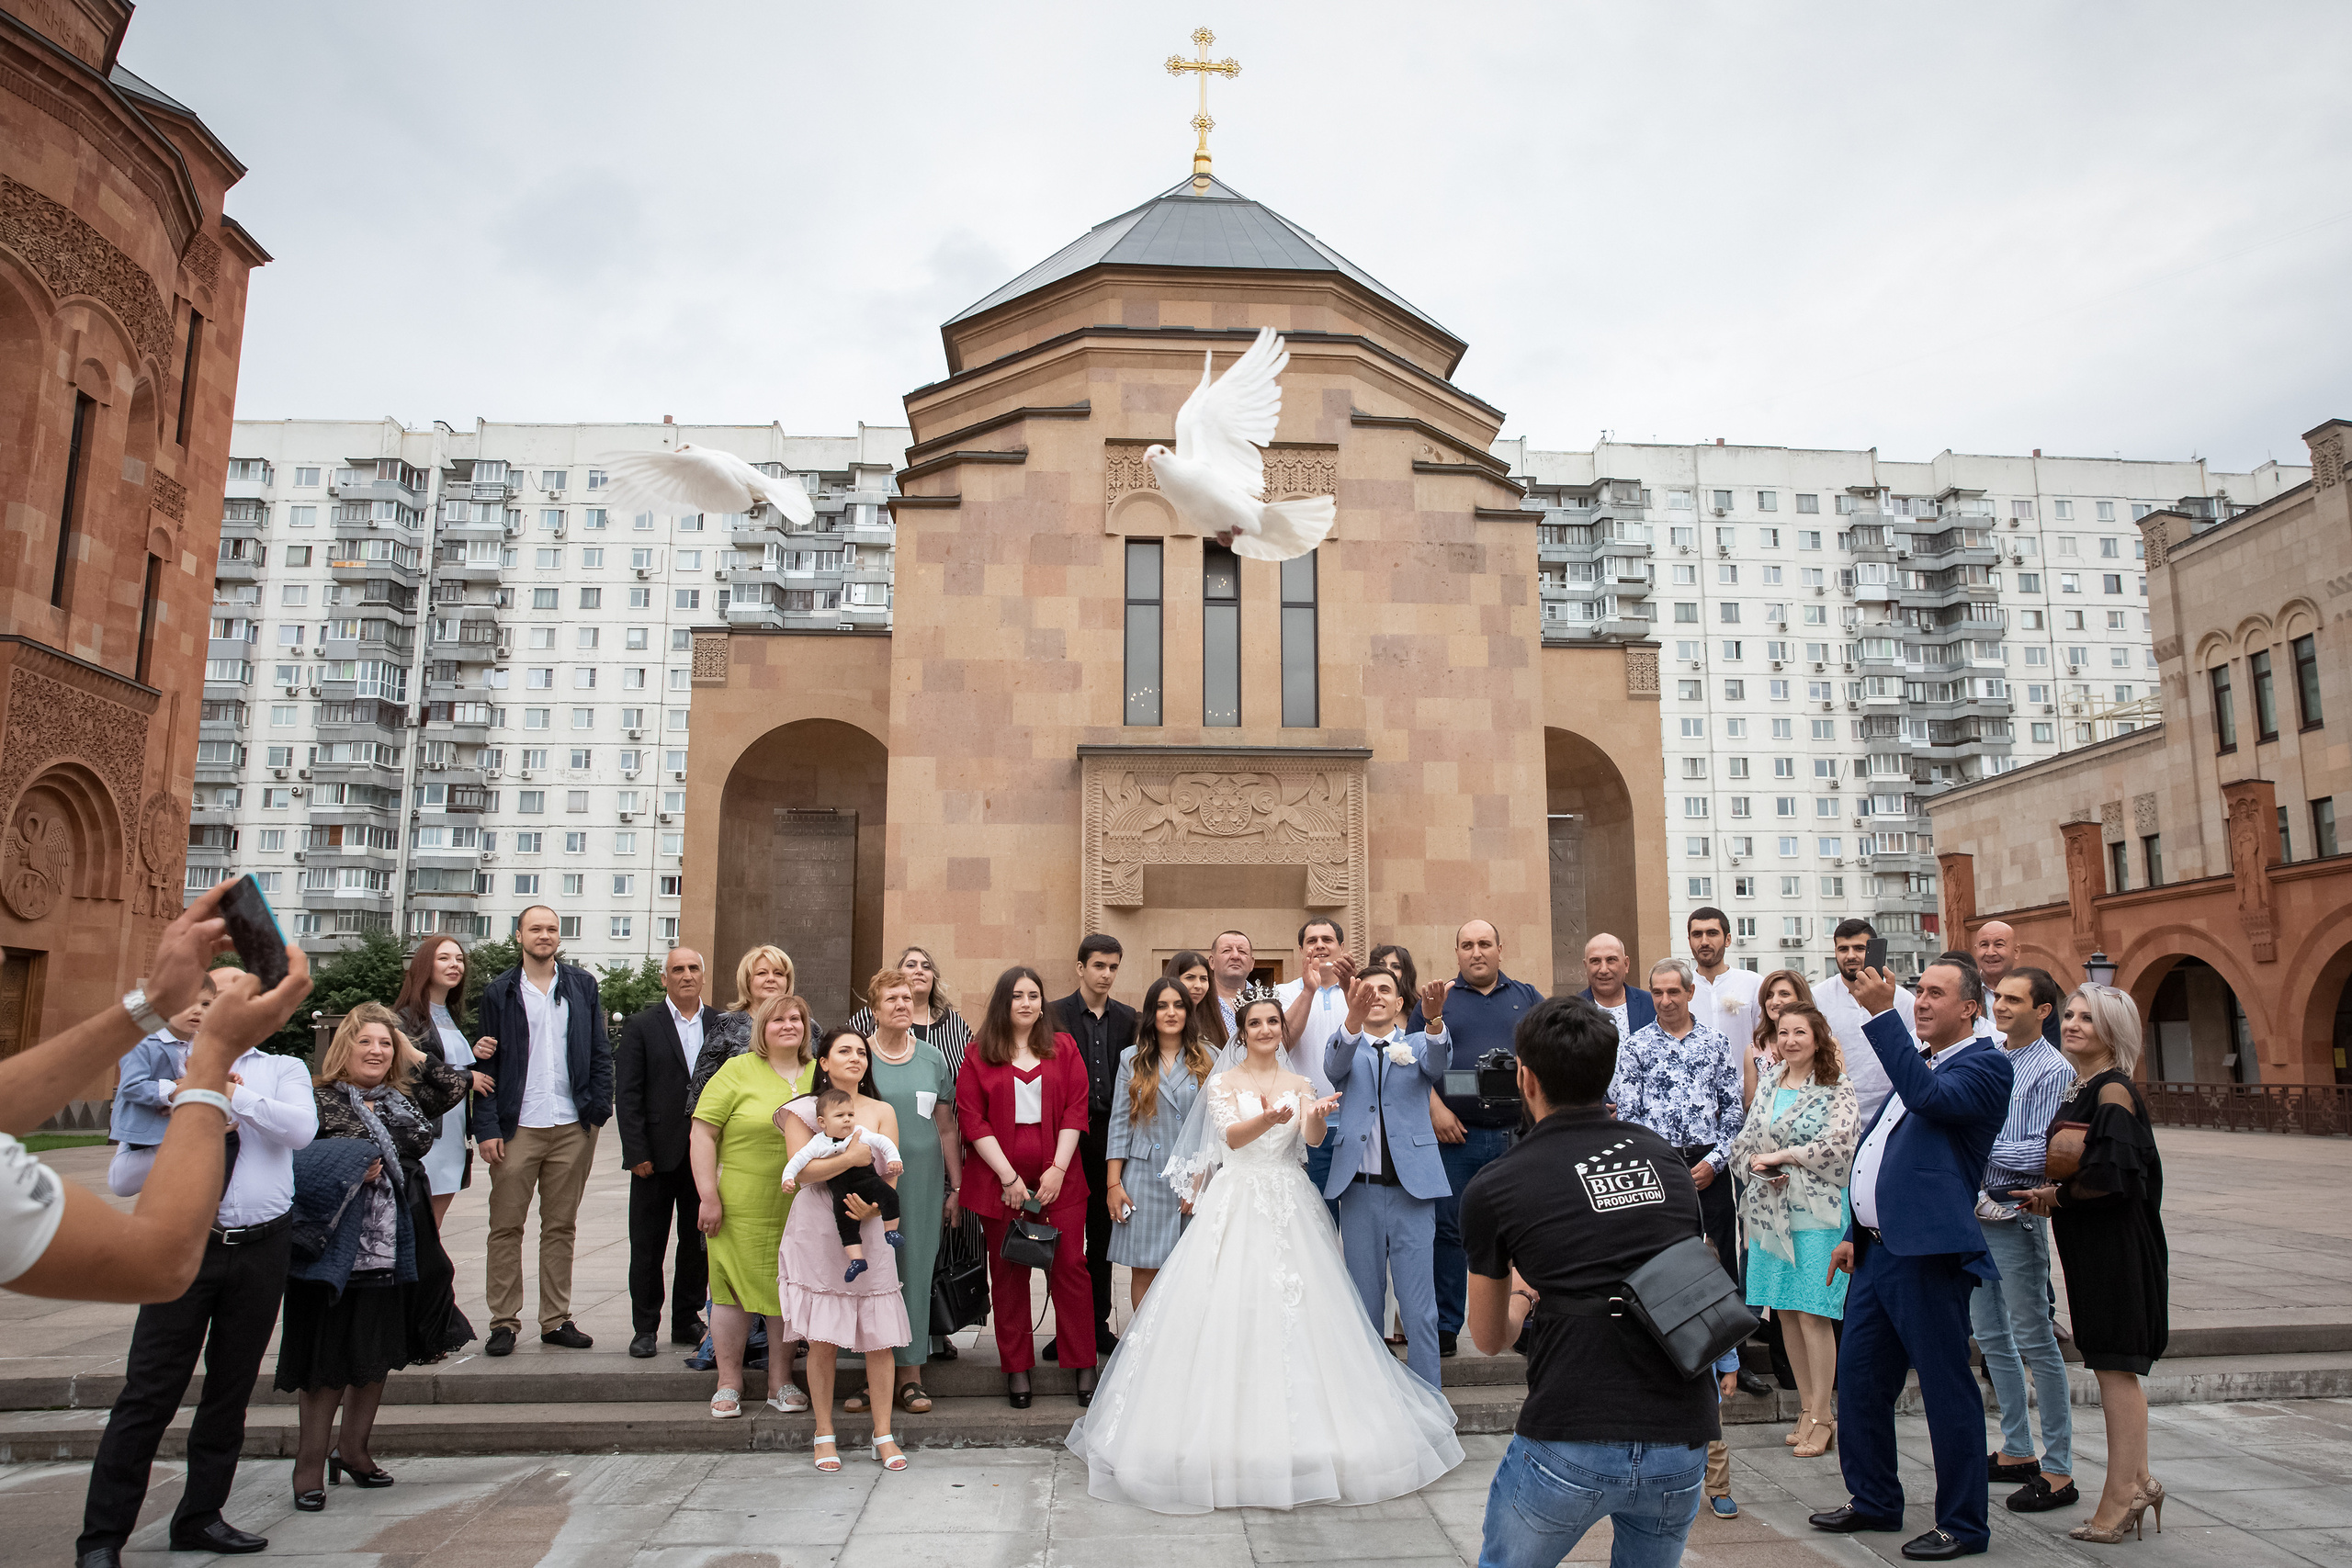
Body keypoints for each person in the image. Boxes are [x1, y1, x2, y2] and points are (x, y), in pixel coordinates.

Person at [1067, 986, 1462, 1513]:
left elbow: (1312, 1141)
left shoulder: (1300, 1082)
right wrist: (1270, 1118)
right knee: (1232, 1304)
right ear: (1242, 1032)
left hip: (1289, 1198)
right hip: (1237, 1197)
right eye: (1255, 1023)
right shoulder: (1223, 1081)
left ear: (1281, 1030)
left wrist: (1314, 1114)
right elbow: (1230, 1138)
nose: (1266, 1031)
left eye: (1273, 1023)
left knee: (1304, 1309)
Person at [47, 891, 314, 1568]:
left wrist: (233, 1093)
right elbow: (125, 1178)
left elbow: (299, 1131)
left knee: (230, 1389)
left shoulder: (282, 1069)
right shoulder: (168, 1075)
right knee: (150, 1391)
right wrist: (196, 1097)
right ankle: (101, 1537)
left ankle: (201, 1516)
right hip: (184, 1250)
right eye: (217, 993)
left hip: (261, 1245)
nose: (229, 1002)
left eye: (243, 991)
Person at [1462, 993, 1719, 1568]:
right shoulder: (1664, 1158)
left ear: (1525, 1078)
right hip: (1680, 1432)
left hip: (1571, 1430)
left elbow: (1489, 1337)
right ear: (1608, 1072)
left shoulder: (1496, 1185)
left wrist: (1523, 1292)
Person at [1809, 957, 2011, 1562]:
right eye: (1918, 991)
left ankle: (1963, 1524)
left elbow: (1927, 1100)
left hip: (1927, 1255)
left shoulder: (1984, 1066)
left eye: (1935, 994)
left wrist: (1880, 1014)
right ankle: (1873, 1497)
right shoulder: (1923, 1060)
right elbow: (1880, 1152)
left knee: (1946, 1388)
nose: (1920, 1002)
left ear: (1969, 1008)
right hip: (1877, 1251)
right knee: (1861, 1381)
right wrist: (1855, 1229)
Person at [276, 1003, 469, 1510]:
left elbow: (454, 1084)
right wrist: (347, 1168)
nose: (377, 1051)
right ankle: (308, 1465)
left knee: (374, 1350)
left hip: (398, 1238)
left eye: (385, 1044)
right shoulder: (317, 1098)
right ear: (345, 1048)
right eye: (366, 1042)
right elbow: (293, 1159)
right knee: (326, 1356)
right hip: (335, 1244)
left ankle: (354, 1451)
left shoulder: (403, 1097)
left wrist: (405, 1044)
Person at [2016, 985, 2170, 1543]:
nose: (2073, 1023)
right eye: (2071, 1014)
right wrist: (2053, 1195)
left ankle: (2123, 1496)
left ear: (2114, 1031)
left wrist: (2056, 1197)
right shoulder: (2087, 1088)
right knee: (2111, 1364)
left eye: (2089, 1018)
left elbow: (2113, 1179)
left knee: (2115, 1368)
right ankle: (2141, 1480)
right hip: (2094, 1247)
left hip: (2117, 1251)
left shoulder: (2112, 1090)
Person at [472, 904, 612, 1355]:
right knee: (505, 1226)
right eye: (535, 928)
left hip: (572, 1124)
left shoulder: (582, 985)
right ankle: (503, 1322)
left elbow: (599, 1051)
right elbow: (485, 1063)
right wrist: (486, 1126)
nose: (544, 935)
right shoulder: (499, 991)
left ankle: (555, 1319)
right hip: (517, 1126)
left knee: (560, 1226)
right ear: (519, 936)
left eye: (552, 928)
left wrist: (597, 1112)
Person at [956, 965, 1095, 1409]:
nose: (1027, 1003)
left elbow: (1076, 1108)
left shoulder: (1063, 1047)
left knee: (1070, 1266)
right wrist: (1009, 1177)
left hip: (1060, 1178)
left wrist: (1057, 1169)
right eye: (1017, 995)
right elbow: (972, 1119)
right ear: (1004, 1002)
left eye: (1033, 995)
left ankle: (1083, 1361)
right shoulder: (979, 1054)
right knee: (1009, 1272)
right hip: (1001, 1181)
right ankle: (1017, 1367)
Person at [1724, 1004, 1860, 1457]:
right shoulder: (1769, 1082)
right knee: (1784, 1311)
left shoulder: (1836, 1085)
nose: (1790, 1041)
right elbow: (1745, 1141)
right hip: (1770, 1213)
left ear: (1818, 1038)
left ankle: (1824, 1415)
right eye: (1783, 1033)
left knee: (1812, 1313)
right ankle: (1805, 1408)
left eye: (1800, 1032)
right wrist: (1756, 1166)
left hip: (1818, 1216)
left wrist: (1785, 1157)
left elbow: (1841, 1147)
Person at [775, 1028, 912, 1471]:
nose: (855, 1058)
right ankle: (823, 1433)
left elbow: (891, 1172)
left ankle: (884, 1434)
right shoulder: (803, 1111)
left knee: (880, 1339)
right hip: (819, 1226)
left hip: (869, 1227)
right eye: (844, 1051)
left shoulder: (881, 1110)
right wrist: (849, 1160)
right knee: (823, 1340)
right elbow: (802, 1171)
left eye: (861, 1052)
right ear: (824, 1062)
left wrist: (875, 1209)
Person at [1973, 966, 2078, 1514]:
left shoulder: (2052, 1068)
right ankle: (2017, 1449)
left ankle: (2059, 1467)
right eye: (1999, 997)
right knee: (1990, 1335)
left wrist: (1972, 1144)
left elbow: (2038, 1152)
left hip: (2017, 1214)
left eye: (2014, 999)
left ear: (2042, 1010)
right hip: (1974, 1212)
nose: (2001, 1006)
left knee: (2034, 1337)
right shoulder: (1991, 1055)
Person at [1322, 968, 1454, 1387]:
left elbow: (1438, 1063)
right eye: (1367, 989)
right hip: (1358, 1191)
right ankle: (1371, 1397)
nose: (1376, 995)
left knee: (1419, 1306)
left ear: (1399, 1003)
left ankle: (1429, 1398)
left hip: (1411, 1191)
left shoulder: (1418, 1043)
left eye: (1385, 990)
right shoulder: (1345, 1041)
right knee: (1364, 1302)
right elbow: (1333, 1067)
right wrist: (1352, 1019)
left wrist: (1434, 1020)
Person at [691, 992, 820, 1418]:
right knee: (730, 1292)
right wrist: (708, 1195)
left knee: (787, 1290)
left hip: (801, 1204)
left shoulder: (819, 1074)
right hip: (740, 1203)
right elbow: (702, 1133)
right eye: (778, 1019)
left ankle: (780, 1381)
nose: (788, 1025)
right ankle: (728, 1382)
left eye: (796, 1019)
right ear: (762, 1028)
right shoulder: (736, 1070)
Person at [1427, 919, 1544, 1359]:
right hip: (1457, 1137)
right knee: (1449, 1229)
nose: (1476, 952)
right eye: (1467, 945)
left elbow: (1547, 1055)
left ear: (1500, 948)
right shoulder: (1438, 1001)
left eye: (1484, 944)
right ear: (1456, 952)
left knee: (1525, 1229)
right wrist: (1436, 1108)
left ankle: (1525, 1319)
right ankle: (1446, 1325)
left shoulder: (1526, 997)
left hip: (1517, 1136)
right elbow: (1412, 1063)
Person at [684, 942, 798, 1371]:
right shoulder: (726, 1027)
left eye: (778, 973)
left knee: (784, 1273)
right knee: (733, 1270)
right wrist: (708, 1186)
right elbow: (700, 1105)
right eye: (761, 973)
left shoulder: (807, 1027)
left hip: (790, 1183)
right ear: (746, 981)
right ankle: (728, 1356)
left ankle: (777, 1358)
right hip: (737, 1168)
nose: (770, 980)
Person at [854, 966, 961, 1413]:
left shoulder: (933, 1058)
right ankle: (872, 1379)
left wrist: (956, 1187)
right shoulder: (859, 1055)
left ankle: (911, 1376)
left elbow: (946, 1127)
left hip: (921, 1185)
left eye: (906, 998)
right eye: (891, 999)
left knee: (914, 1272)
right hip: (868, 1182)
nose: (901, 1005)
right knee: (874, 1273)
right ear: (874, 1009)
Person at [1608, 958, 1744, 1286]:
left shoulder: (1716, 1042)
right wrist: (1657, 1163)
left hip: (1708, 1165)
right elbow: (1628, 1116)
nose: (1665, 1000)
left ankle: (1728, 1321)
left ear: (1690, 992)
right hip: (1659, 1166)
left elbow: (1733, 1110)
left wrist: (1715, 1161)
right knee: (1661, 1258)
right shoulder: (1635, 1046)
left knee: (1722, 1258)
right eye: (1657, 993)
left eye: (1673, 992)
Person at [616, 947, 718, 1359]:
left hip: (705, 1154)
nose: (686, 975)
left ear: (703, 976)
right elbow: (628, 1093)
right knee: (647, 1245)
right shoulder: (642, 1025)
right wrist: (636, 1151)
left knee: (697, 1242)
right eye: (678, 969)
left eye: (694, 968)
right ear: (664, 979)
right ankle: (645, 1327)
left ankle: (686, 1319)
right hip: (655, 1157)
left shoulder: (721, 1024)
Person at [1105, 976, 1216, 1305]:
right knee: (1144, 1268)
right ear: (1150, 1013)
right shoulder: (1131, 1058)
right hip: (1144, 1178)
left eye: (1179, 1005)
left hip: (1193, 1177)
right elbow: (1120, 1124)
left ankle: (1183, 1336)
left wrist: (1200, 1179)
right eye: (1162, 1005)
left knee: (1192, 1269)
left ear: (1188, 1012)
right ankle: (1143, 1338)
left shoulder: (1209, 1056)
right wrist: (1113, 1184)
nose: (1171, 1012)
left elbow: (1216, 1125)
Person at [1052, 933, 1136, 1359]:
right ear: (1081, 967)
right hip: (1065, 1138)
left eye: (1113, 967)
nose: (1106, 974)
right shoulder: (1053, 1015)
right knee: (1064, 1240)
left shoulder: (1128, 1018)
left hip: (1111, 1137)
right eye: (1099, 966)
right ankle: (1067, 1329)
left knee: (1101, 1237)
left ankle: (1098, 1325)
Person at [391, 935, 495, 1226]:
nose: (455, 965)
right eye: (444, 958)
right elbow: (411, 1075)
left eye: (459, 959)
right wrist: (467, 1076)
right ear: (425, 965)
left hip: (453, 1132)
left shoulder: (448, 1013)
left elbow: (441, 1058)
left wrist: (473, 1054)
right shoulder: (405, 1018)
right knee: (416, 1225)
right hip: (427, 1134)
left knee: (433, 1226)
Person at [104, 973, 216, 1197]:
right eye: (187, 1002)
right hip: (149, 1129)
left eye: (206, 1004)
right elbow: (131, 1086)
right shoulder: (142, 1042)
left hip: (185, 1126)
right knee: (132, 1181)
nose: (197, 1010)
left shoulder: (202, 1043)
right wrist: (174, 1091)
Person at [783, 1087, 903, 1277]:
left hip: (867, 1181)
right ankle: (857, 1260)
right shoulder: (817, 1143)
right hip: (841, 1192)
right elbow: (798, 1160)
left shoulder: (859, 1133)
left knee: (890, 1196)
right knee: (845, 1224)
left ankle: (891, 1231)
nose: (847, 1119)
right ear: (822, 1122)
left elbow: (883, 1142)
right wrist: (788, 1177)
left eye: (850, 1114)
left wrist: (894, 1159)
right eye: (840, 1115)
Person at [1278, 918, 1354, 1208]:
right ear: (1301, 950)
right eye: (1312, 941)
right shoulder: (1283, 993)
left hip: (1356, 1126)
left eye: (1327, 939)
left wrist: (1351, 990)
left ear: (1341, 947)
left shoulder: (1357, 990)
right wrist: (1308, 991)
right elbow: (1280, 1045)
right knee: (1316, 1216)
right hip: (1306, 1127)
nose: (1320, 945)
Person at [1815, 919, 1903, 1122]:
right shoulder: (1816, 999)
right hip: (1834, 1116)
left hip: (1892, 1115)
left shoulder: (1902, 999)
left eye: (1859, 948)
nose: (1850, 955)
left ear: (1873, 951)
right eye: (1843, 949)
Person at [848, 944, 972, 1078]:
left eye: (926, 967)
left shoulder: (954, 1023)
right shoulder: (870, 1016)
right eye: (911, 965)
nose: (919, 970)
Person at [1688, 906, 1764, 1070]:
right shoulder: (1682, 988)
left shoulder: (1754, 984)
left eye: (1712, 933)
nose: (1704, 942)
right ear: (1689, 941)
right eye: (1697, 934)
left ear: (1727, 939)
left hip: (1746, 1082)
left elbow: (1766, 1040)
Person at [1745, 968, 1815, 1110]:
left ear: (1800, 998)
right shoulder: (1755, 1050)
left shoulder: (1823, 1043)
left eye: (1784, 994)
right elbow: (1749, 1107)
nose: (1775, 1001)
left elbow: (1835, 1093)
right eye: (1769, 996)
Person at [1973, 921, 2053, 1044]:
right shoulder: (1965, 991)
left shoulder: (2036, 989)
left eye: (1999, 945)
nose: (1990, 952)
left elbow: (2050, 1042)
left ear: (2016, 951)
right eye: (1984, 945)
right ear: (1976, 950)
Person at [1579, 932, 1655, 1040]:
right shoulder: (1570, 1012)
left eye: (1611, 960)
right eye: (1595, 961)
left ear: (1626, 964)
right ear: (1586, 966)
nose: (1603, 970)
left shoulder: (1652, 1004)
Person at [1166, 948, 1228, 1048]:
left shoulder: (1214, 1023)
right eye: (1190, 978)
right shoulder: (1162, 1021)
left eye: (1203, 979)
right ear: (1174, 980)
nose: (1198, 985)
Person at [1208, 929, 1255, 1038]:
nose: (1235, 956)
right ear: (1212, 962)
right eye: (1226, 951)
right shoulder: (1199, 1001)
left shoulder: (1266, 1001)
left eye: (1242, 951)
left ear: (1252, 963)